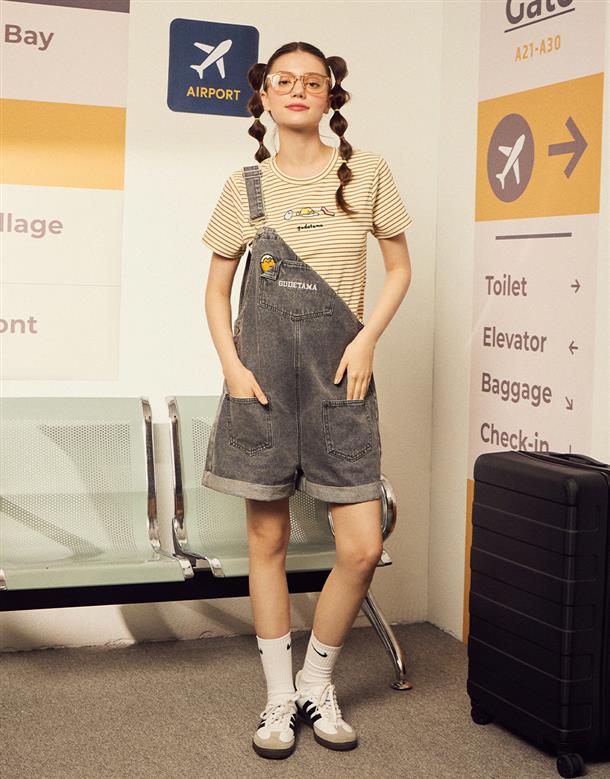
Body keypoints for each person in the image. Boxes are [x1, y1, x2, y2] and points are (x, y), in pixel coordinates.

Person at [201, 41, 413, 760]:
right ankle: (276, 697)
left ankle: (316, 681)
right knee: (268, 543)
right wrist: (232, 366)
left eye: (312, 81)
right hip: (260, 384)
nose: (297, 90)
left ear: (330, 97)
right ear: (263, 95)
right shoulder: (244, 187)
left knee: (362, 545)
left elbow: (399, 267)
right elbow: (215, 291)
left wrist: (368, 339)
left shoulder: (367, 172)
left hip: (341, 381)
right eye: (283, 80)